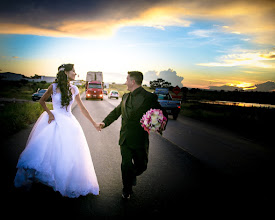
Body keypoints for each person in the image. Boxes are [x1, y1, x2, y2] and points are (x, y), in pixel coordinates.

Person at [14, 64, 100, 198]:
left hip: (70, 122)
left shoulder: (74, 88)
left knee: (67, 153)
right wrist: (49, 113)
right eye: (73, 71)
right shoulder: (53, 87)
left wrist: (94, 123)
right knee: (48, 151)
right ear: (66, 72)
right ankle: (51, 179)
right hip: (54, 120)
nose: (75, 74)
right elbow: (42, 101)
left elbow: (82, 108)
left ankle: (64, 182)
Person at [99, 71, 168, 199]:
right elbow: (116, 112)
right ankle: (127, 189)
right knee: (125, 165)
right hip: (124, 138)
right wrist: (104, 123)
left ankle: (131, 176)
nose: (125, 82)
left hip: (140, 139)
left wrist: (161, 123)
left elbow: (162, 113)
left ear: (133, 81)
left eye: (127, 79)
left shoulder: (149, 97)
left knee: (142, 166)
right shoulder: (125, 97)